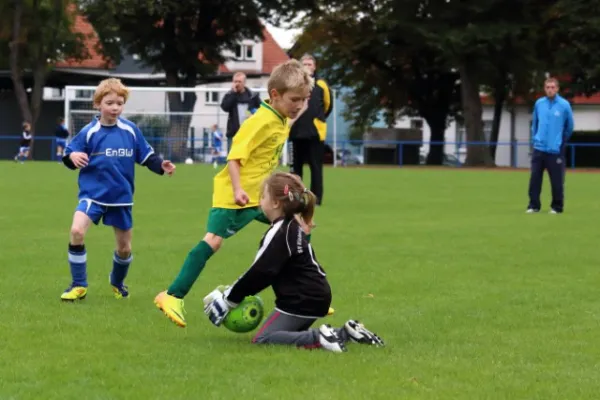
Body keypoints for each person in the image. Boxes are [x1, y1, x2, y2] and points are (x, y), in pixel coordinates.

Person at [155, 60, 313, 328]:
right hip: (235, 194)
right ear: (274, 95)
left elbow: (295, 111)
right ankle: (171, 296)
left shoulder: (282, 116)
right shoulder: (259, 122)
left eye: (303, 99)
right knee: (214, 241)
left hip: (261, 197)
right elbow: (234, 158)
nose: (299, 105)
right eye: (294, 99)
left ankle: (304, 295)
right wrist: (238, 189)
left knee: (296, 228)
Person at [203, 172, 384, 352]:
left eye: (263, 196)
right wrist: (232, 294)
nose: (260, 201)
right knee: (284, 333)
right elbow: (261, 271)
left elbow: (260, 272)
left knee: (264, 338)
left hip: (301, 299)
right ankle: (346, 333)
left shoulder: (280, 232)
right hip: (315, 295)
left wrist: (229, 300)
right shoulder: (291, 226)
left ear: (275, 203)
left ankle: (320, 338)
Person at [60, 78, 176, 302]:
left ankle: (117, 282)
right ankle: (78, 285)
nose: (115, 107)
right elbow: (68, 155)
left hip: (121, 198)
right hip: (92, 196)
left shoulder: (130, 130)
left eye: (119, 103)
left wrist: (160, 165)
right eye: (110, 103)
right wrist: (73, 156)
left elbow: (146, 156)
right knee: (76, 232)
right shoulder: (89, 132)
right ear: (98, 104)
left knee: (124, 248)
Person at [289, 54, 333, 205]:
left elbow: (328, 106)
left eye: (310, 64)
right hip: (296, 132)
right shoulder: (294, 84)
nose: (307, 67)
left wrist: (318, 118)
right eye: (304, 64)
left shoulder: (321, 84)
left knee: (316, 167)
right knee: (296, 168)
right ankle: (296, 197)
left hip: (315, 133)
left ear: (315, 67)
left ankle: (316, 198)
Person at [527, 77, 574, 214]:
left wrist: (561, 141)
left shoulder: (564, 105)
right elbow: (535, 123)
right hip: (539, 148)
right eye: (548, 87)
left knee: (556, 181)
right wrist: (536, 138)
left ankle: (557, 207)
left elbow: (569, 126)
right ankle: (533, 205)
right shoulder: (539, 104)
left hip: (555, 150)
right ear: (544, 88)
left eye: (553, 87)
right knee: (535, 178)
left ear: (557, 89)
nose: (550, 90)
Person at [220, 72, 261, 153]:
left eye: (239, 81)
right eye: (235, 81)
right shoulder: (229, 94)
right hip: (233, 133)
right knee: (232, 160)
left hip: (248, 133)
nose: (237, 84)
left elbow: (261, 110)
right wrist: (233, 93)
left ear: (244, 83)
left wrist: (253, 115)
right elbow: (225, 107)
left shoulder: (252, 96)